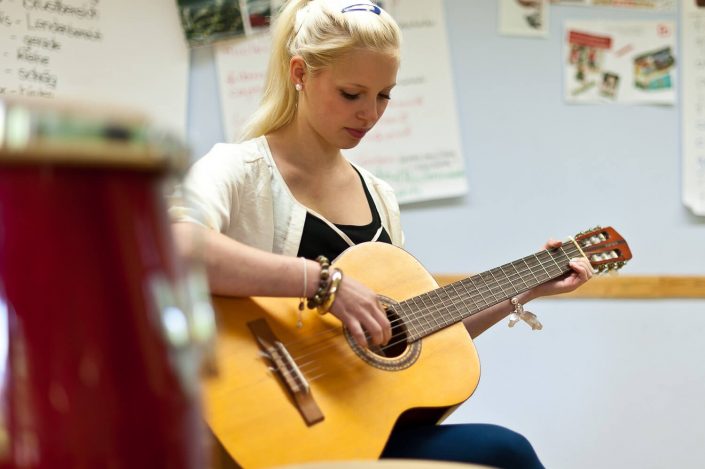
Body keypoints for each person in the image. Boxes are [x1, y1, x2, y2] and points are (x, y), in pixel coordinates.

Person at [168, 1, 593, 468]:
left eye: (384, 95)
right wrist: (325, 283)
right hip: (261, 432)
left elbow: (411, 339)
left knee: (500, 449)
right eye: (352, 94)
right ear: (299, 73)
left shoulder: (379, 196)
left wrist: (524, 287)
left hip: (357, 432)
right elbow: (177, 248)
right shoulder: (238, 170)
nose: (370, 114)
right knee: (505, 452)